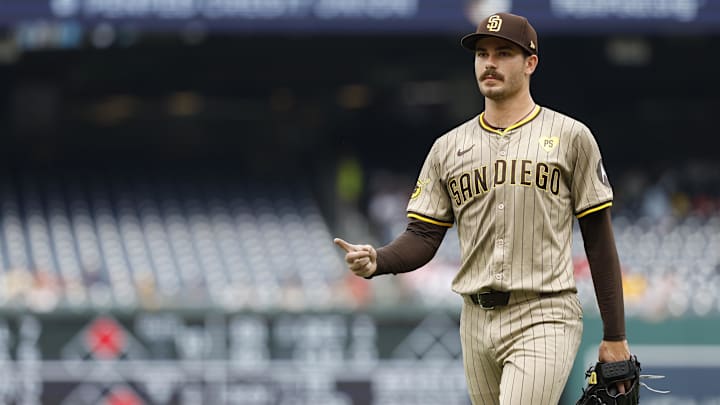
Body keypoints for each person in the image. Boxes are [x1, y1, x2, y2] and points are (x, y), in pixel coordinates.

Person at [334, 12, 633, 405]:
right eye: (482, 53)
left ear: (530, 63)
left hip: (544, 312)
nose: (489, 62)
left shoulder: (570, 136)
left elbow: (597, 239)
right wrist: (379, 259)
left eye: (504, 52)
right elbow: (424, 235)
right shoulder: (447, 147)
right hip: (475, 320)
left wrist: (615, 335)